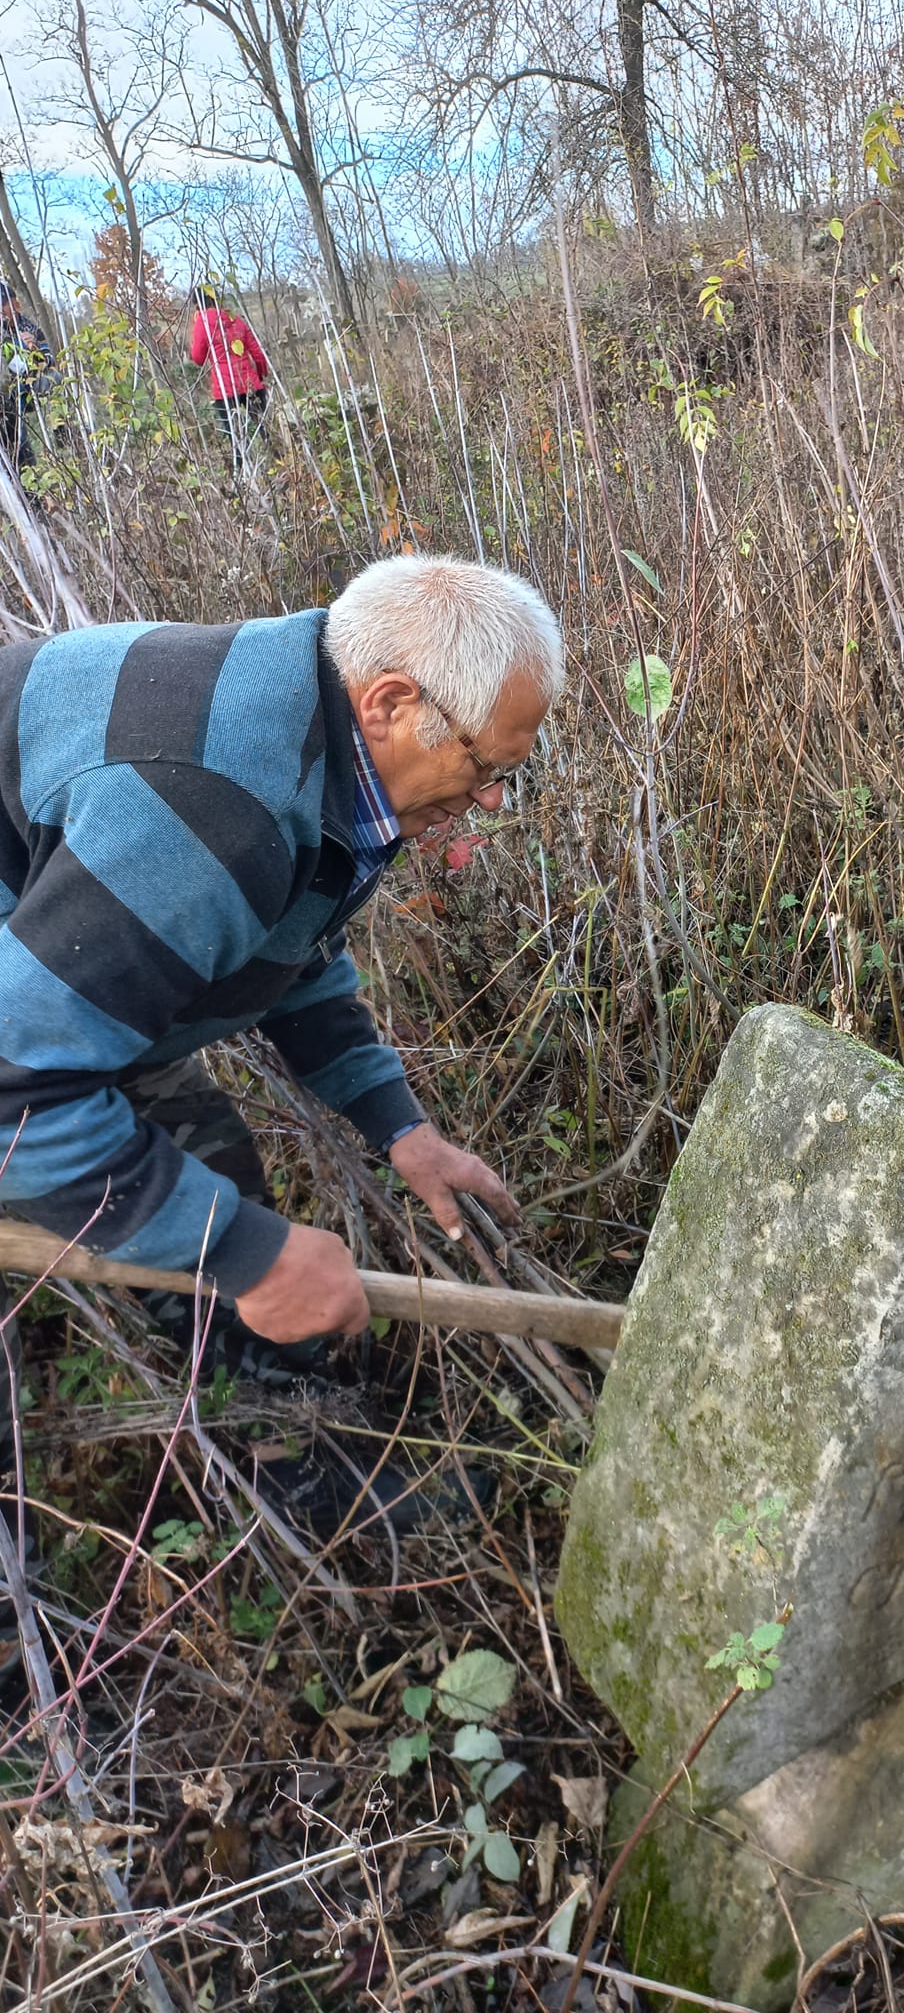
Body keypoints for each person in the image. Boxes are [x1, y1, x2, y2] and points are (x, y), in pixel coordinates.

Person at [0, 555, 561, 1527]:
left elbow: (290, 944)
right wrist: (251, 1253)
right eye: (486, 766)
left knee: (199, 1160)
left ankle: (296, 1456)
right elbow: (16, 1089)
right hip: (19, 1040)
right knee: (193, 1211)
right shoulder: (212, 809)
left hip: (38, 988)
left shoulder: (313, 719)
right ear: (389, 699)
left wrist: (398, 1125)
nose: (493, 801)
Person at [188, 284, 269, 468]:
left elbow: (198, 358)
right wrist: (261, 375)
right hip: (250, 384)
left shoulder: (203, 323)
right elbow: (257, 353)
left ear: (197, 304)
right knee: (263, 429)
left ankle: (243, 473)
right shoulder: (236, 319)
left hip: (225, 390)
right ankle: (275, 461)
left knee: (236, 438)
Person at [0, 281, 54, 476]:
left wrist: (36, 351)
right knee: (15, 428)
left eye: (13, 304)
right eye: (8, 306)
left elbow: (49, 357)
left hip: (31, 381)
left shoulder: (27, 325)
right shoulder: (2, 332)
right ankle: (22, 465)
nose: (13, 310)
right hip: (9, 392)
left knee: (55, 379)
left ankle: (63, 433)